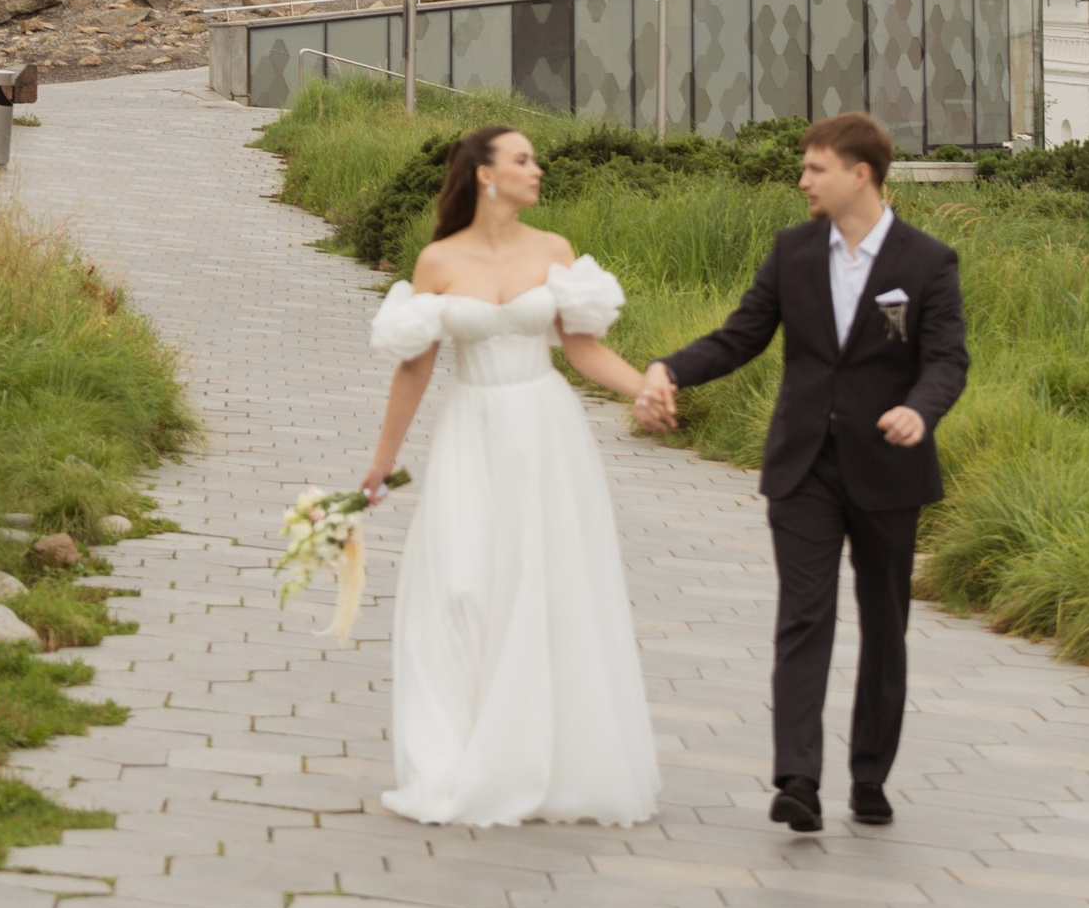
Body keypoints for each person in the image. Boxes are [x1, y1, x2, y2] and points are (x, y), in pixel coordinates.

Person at [633, 113, 966, 834]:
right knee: (804, 616)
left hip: (890, 468)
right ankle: (798, 778)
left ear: (861, 174)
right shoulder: (791, 253)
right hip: (804, 465)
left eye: (815, 168)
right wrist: (669, 369)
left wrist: (921, 410)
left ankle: (870, 775)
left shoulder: (927, 263)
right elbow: (740, 336)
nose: (802, 180)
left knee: (885, 627)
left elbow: (947, 360)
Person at [360, 123, 662, 827]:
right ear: (486, 174)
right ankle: (453, 756)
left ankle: (544, 760)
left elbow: (582, 349)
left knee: (541, 582)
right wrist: (382, 460)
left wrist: (642, 387)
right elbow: (416, 364)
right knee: (462, 581)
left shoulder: (554, 252)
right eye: (524, 159)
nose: (539, 169)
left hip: (544, 431)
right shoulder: (438, 261)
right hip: (472, 428)